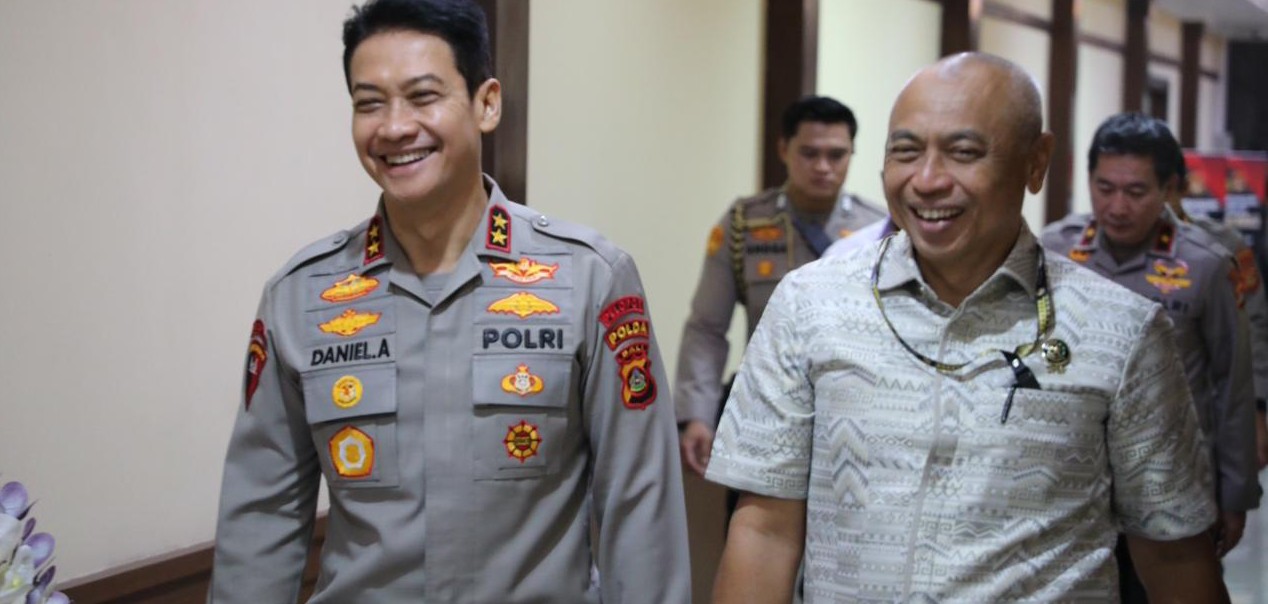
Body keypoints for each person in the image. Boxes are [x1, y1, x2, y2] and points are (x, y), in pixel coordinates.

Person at [208, 1, 691, 601]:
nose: (394, 127)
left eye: (423, 96)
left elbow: (640, 508)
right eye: (369, 103)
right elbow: (263, 517)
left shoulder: (590, 279)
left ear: (486, 104)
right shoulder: (302, 296)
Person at [707, 52, 1227, 602]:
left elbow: (1173, 553)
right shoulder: (810, 304)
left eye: (963, 153)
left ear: (1035, 162)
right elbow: (764, 530)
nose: (928, 180)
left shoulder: (1121, 330)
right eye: (906, 151)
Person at [1042, 114, 1261, 602]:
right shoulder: (1054, 251)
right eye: (1104, 188)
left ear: (1168, 189)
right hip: (1074, 480)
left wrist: (1236, 496)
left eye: (1136, 192)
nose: (1117, 207)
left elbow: (1232, 385)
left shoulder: (1206, 264)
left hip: (1173, 484)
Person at [675, 96, 885, 480]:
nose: (823, 167)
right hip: (763, 408)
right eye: (809, 153)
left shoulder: (879, 231)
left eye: (836, 155)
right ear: (783, 149)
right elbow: (707, 327)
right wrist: (697, 414)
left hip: (852, 413)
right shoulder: (745, 224)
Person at [1168, 158, 1268, 472]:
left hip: (1204, 412)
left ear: (1182, 188)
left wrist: (1258, 409)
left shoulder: (1224, 245)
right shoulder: (1096, 248)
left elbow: (1254, 326)